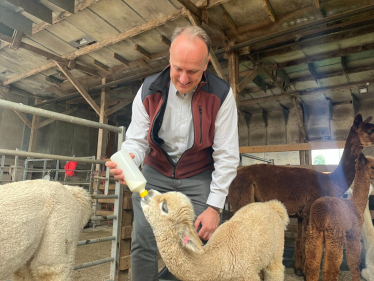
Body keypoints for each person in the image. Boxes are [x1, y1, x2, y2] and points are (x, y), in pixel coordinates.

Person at [106, 26, 239, 280]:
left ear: (206, 64)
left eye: (193, 71)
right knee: (144, 241)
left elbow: (227, 154)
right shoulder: (148, 90)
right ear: (169, 58)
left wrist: (214, 206)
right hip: (155, 173)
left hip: (198, 174)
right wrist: (130, 160)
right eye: (178, 68)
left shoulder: (221, 95)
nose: (184, 78)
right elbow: (135, 141)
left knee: (195, 245)